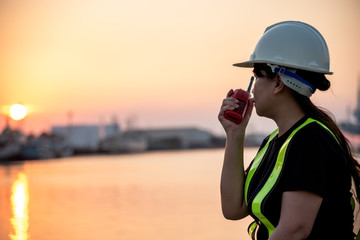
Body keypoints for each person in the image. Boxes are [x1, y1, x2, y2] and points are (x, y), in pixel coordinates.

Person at [218, 21, 360, 240]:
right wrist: (235, 135)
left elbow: (294, 230)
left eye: (257, 76)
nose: (253, 87)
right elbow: (233, 208)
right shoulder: (275, 141)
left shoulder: (311, 141)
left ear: (278, 83)